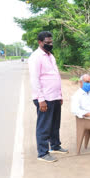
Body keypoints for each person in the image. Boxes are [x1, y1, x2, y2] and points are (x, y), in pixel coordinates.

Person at [28, 31, 68, 163]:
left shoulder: (51, 56)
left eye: (51, 42)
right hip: (44, 98)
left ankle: (55, 146)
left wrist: (60, 95)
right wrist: (41, 99)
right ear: (40, 42)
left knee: (55, 124)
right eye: (47, 42)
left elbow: (55, 76)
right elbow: (35, 80)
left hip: (54, 96)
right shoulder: (36, 57)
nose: (50, 44)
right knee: (44, 126)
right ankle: (43, 153)